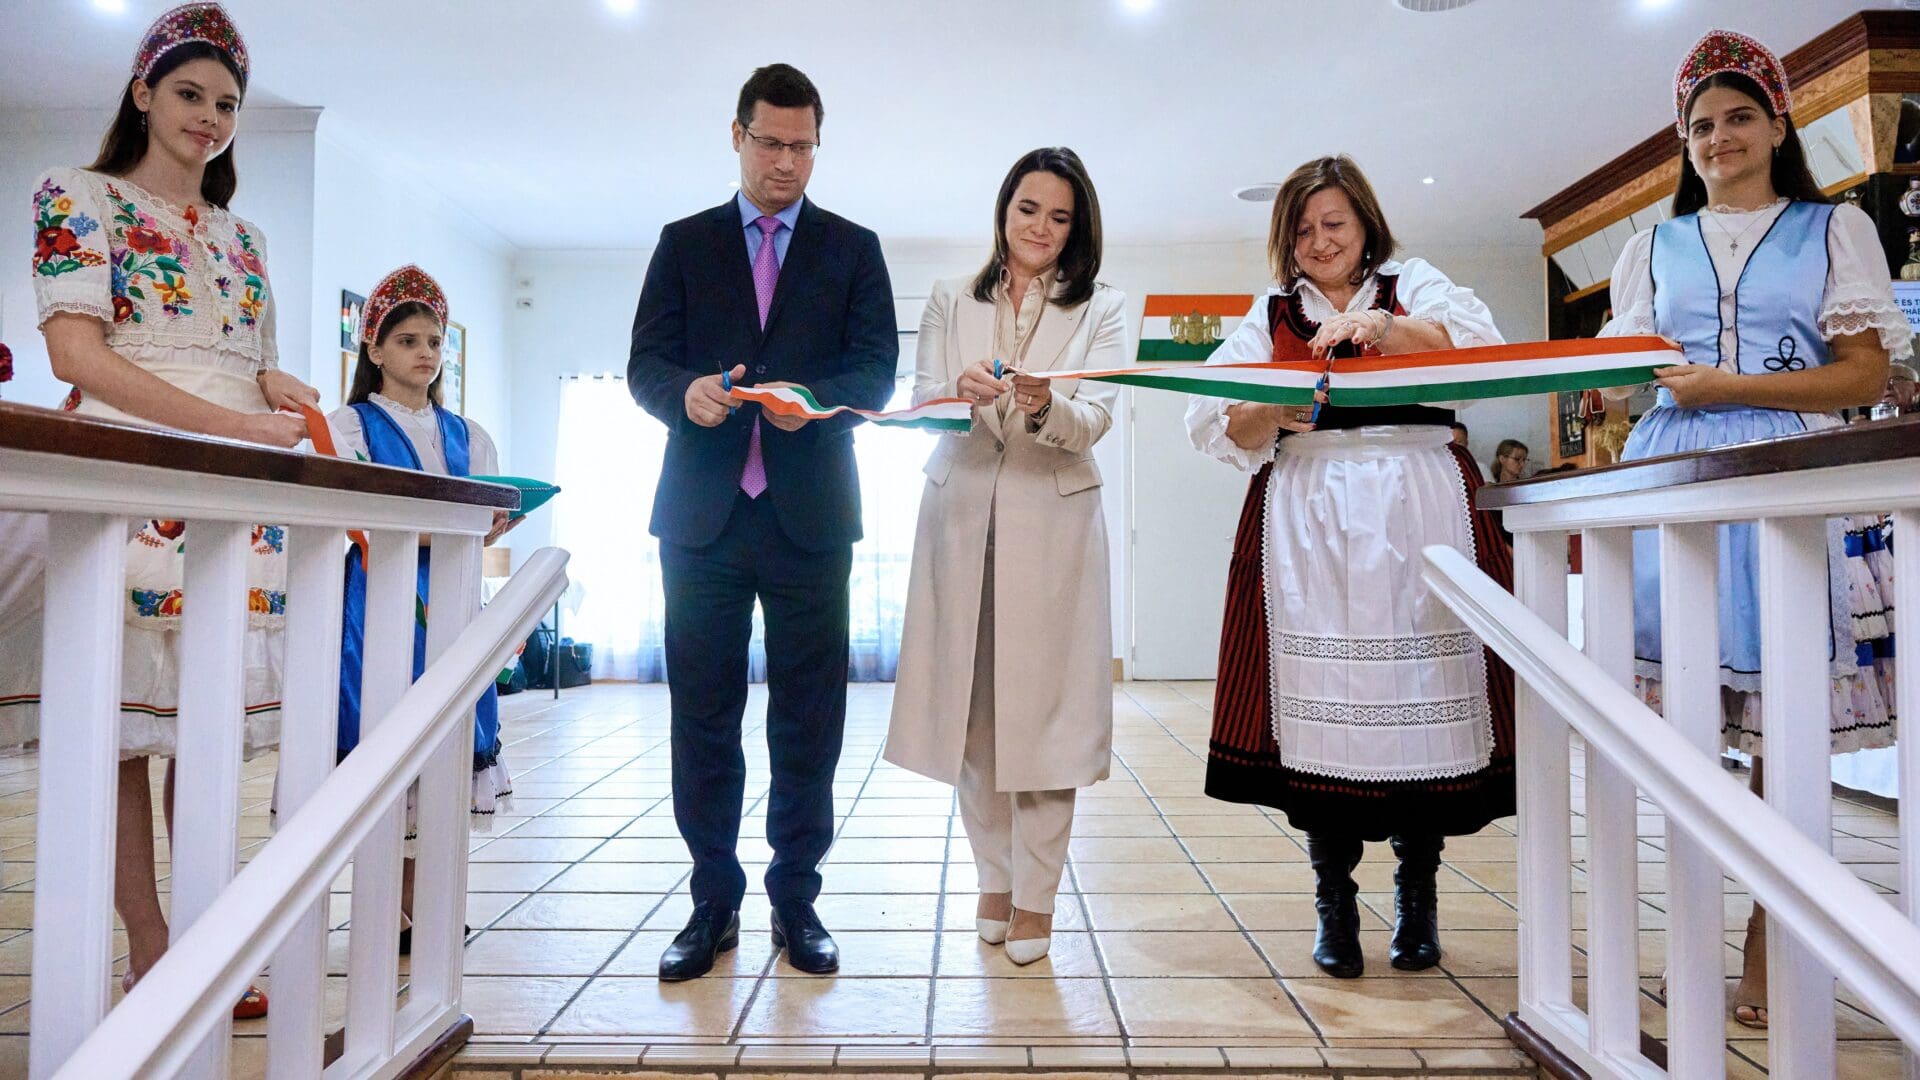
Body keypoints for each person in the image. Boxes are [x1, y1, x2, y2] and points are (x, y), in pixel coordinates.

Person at [0, 1, 315, 1019]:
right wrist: (228, 429)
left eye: (225, 103)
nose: (210, 117)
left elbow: (256, 372)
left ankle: (213, 938)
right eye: (189, 93)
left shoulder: (246, 236)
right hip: (130, 481)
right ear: (141, 91)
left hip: (239, 495)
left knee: (211, 730)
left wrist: (289, 402)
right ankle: (152, 946)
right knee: (124, 736)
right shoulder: (75, 196)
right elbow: (76, 359)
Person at [1598, 29, 1905, 1028]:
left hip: (1789, 474)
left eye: (1738, 118)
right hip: (1675, 481)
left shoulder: (1833, 229)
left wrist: (1727, 385)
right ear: (1684, 144)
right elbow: (1611, 382)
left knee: (1788, 739)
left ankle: (1767, 956)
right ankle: (1684, 946)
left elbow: (1863, 377)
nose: (1719, 137)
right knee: (1677, 731)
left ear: (1777, 125)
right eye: (1701, 125)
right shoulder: (1650, 246)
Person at [1185, 155, 1515, 980]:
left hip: (1419, 504)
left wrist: (1385, 332)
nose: (1319, 240)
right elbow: (1210, 420)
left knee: (1422, 701)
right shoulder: (1268, 316)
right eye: (1302, 229)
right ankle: (1334, 902)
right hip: (1310, 517)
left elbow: (1488, 355)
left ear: (1365, 223)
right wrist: (1270, 408)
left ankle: (1417, 897)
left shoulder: (1417, 286)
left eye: (1334, 223)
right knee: (1323, 710)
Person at [625, 63, 898, 981]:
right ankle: (712, 901)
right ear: (736, 135)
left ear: (819, 144)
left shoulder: (853, 249)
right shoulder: (684, 242)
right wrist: (687, 394)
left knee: (808, 719)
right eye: (770, 142)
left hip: (809, 518)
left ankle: (797, 898)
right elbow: (645, 364)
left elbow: (876, 373)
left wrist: (812, 402)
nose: (786, 162)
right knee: (703, 715)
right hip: (702, 519)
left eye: (802, 145)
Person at [886, 148, 1124, 966]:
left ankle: (1037, 899)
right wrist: (955, 392)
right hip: (961, 521)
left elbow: (1096, 419)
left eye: (1061, 218)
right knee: (974, 716)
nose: (1042, 230)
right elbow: (921, 407)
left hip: (1052, 527)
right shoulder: (951, 297)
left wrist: (1046, 401)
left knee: (1047, 719)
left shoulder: (1107, 308)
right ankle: (993, 879)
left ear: (1078, 229)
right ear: (1004, 210)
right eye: (1030, 210)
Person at [328, 265, 516, 951]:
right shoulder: (346, 426)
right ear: (373, 350)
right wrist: (454, 523)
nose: (425, 354)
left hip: (455, 602)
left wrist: (491, 525)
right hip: (379, 602)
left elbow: (493, 515)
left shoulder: (471, 434)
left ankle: (429, 901)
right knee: (386, 737)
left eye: (434, 341)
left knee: (449, 742)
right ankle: (390, 902)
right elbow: (360, 516)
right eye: (407, 340)